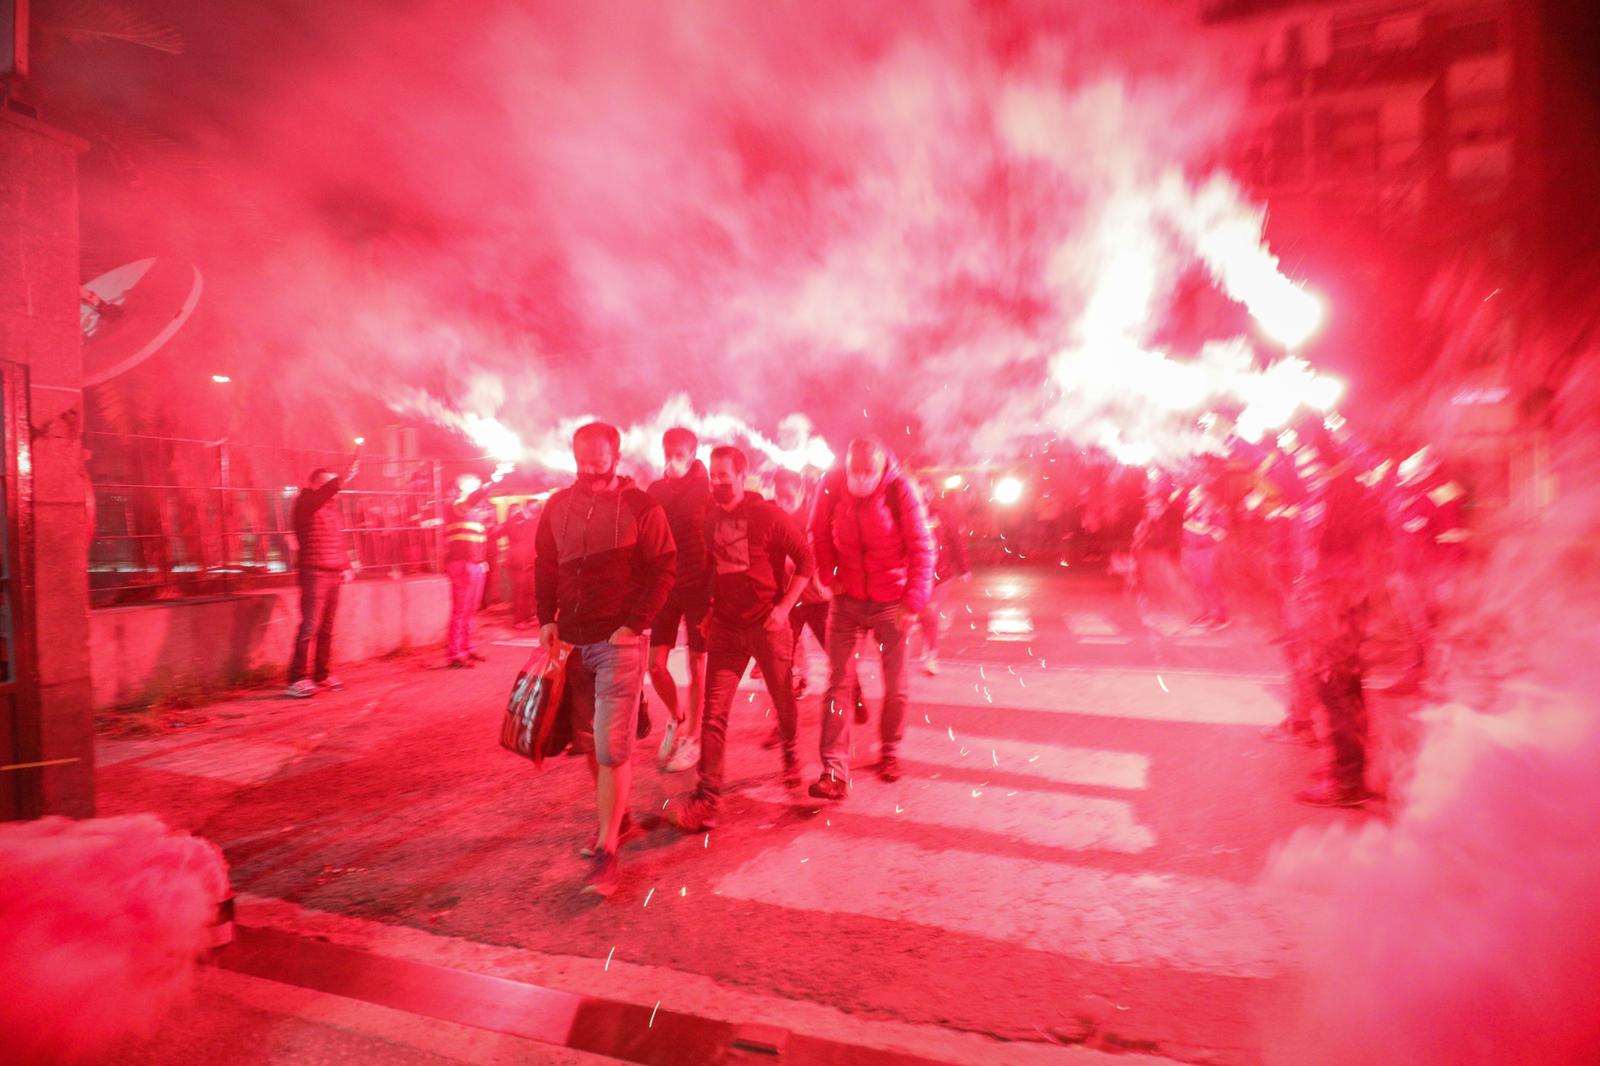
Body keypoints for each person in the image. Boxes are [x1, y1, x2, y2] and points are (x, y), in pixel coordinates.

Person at [536, 422, 676, 897]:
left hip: (618, 644)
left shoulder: (642, 507)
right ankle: (621, 820)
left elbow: (665, 567)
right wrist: (545, 618)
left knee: (610, 748)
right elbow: (545, 563)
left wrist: (635, 624)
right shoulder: (557, 506)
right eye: (583, 459)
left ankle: (605, 851)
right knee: (586, 744)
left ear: (616, 456)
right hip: (571, 644)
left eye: (599, 459)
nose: (591, 468)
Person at [668, 447, 814, 831]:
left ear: (741, 473)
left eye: (723, 475)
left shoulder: (767, 514)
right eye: (713, 475)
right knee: (714, 715)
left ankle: (791, 751)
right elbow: (715, 567)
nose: (716, 482)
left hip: (768, 627)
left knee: (784, 703)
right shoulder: (710, 517)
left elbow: (806, 561)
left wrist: (783, 609)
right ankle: (707, 797)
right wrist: (711, 611)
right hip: (728, 630)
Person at [808, 436, 935, 798]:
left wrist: (913, 601)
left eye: (869, 472)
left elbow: (922, 547)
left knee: (896, 685)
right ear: (846, 465)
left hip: (891, 602)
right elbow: (817, 532)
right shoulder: (831, 484)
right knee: (837, 684)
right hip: (846, 600)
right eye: (855, 470)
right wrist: (830, 576)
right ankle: (833, 772)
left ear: (882, 469)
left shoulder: (900, 490)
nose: (861, 478)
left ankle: (890, 749)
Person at [645, 428, 712, 773]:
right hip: (666, 586)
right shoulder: (655, 490)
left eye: (680, 452)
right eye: (668, 451)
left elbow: (716, 535)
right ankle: (677, 716)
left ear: (693, 452)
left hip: (699, 585)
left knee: (697, 664)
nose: (673, 458)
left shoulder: (706, 488)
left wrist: (716, 591)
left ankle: (693, 738)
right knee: (654, 666)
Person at [286, 451, 359, 698]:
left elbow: (337, 539)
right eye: (327, 484)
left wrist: (346, 566)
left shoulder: (330, 508)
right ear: (316, 484)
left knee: (327, 628)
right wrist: (342, 478)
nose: (332, 490)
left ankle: (322, 674)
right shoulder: (305, 502)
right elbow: (324, 495)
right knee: (310, 626)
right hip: (314, 572)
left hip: (333, 572)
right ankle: (297, 679)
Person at [915, 476, 972, 675]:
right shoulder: (907, 514)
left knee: (930, 611)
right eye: (919, 490)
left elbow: (955, 539)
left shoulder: (942, 514)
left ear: (932, 492)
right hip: (917, 575)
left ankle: (930, 656)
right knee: (922, 614)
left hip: (941, 573)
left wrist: (964, 568)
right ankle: (926, 645)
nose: (923, 495)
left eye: (927, 490)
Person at [444, 472, 499, 668]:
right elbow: (473, 499)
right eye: (474, 483)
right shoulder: (455, 505)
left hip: (474, 564)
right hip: (461, 563)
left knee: (470, 609)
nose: (477, 485)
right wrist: (491, 482)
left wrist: (482, 561)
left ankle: (467, 648)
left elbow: (478, 540)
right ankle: (455, 653)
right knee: (461, 610)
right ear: (463, 487)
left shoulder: (474, 512)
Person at [1180, 465, 1230, 630]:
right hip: (1192, 551)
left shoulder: (1215, 510)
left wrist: (1198, 528)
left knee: (1210, 583)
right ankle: (1207, 614)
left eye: (1194, 494)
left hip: (1207, 552)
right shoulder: (1191, 510)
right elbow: (1191, 529)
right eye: (1190, 495)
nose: (1190, 497)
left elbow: (1218, 533)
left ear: (1203, 495)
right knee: (1198, 584)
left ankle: (1222, 617)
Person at [504, 499, 540, 628]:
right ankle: (519, 620)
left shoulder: (532, 521)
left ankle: (529, 616)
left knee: (530, 591)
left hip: (530, 561)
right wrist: (525, 518)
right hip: (518, 562)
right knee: (519, 592)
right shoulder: (515, 522)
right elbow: (517, 534)